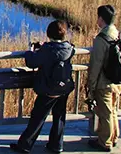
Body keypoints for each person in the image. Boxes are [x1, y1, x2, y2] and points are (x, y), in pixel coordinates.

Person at [10, 20, 75, 153]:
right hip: (63, 89)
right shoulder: (69, 48)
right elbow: (59, 52)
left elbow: (32, 62)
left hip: (48, 90)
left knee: (37, 118)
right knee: (59, 117)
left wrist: (30, 51)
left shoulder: (47, 50)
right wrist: (45, 46)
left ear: (48, 34)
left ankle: (25, 145)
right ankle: (56, 145)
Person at [87, 5, 121, 152]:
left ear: (101, 18)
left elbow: (95, 65)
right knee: (113, 110)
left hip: (104, 82)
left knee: (105, 113)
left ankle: (105, 142)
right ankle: (114, 136)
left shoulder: (101, 39)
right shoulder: (119, 34)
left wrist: (91, 85)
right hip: (117, 81)